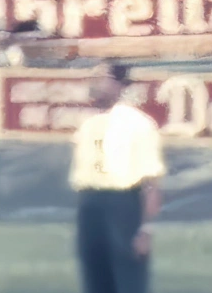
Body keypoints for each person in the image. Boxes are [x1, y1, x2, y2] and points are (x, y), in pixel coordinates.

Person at [69, 63, 165, 293]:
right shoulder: (87, 124)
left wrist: (146, 229)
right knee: (94, 274)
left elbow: (151, 182)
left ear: (119, 85)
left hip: (122, 204)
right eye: (93, 77)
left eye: (101, 78)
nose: (95, 84)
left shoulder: (138, 123)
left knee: (127, 276)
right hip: (90, 203)